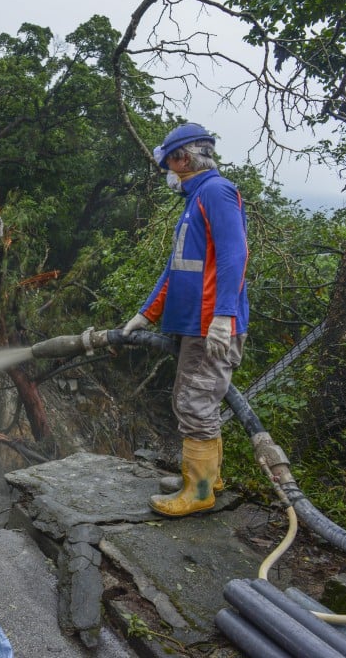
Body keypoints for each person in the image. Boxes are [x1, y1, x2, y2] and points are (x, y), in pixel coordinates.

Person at [122, 122, 249, 518]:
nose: (168, 173)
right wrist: (146, 313)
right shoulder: (195, 202)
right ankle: (204, 478)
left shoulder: (215, 192)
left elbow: (234, 255)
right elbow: (176, 269)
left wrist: (224, 316)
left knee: (193, 402)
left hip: (208, 325)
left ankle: (200, 491)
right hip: (194, 323)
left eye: (169, 164)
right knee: (198, 401)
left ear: (183, 158)